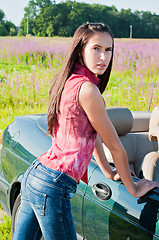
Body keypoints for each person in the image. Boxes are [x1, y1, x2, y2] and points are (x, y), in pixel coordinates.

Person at [13, 23, 159, 240]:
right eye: (96, 49)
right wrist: (134, 189)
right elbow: (116, 148)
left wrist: (109, 173)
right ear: (81, 49)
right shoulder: (88, 89)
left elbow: (92, 136)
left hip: (36, 175)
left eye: (108, 50)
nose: (103, 57)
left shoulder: (69, 80)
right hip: (54, 185)